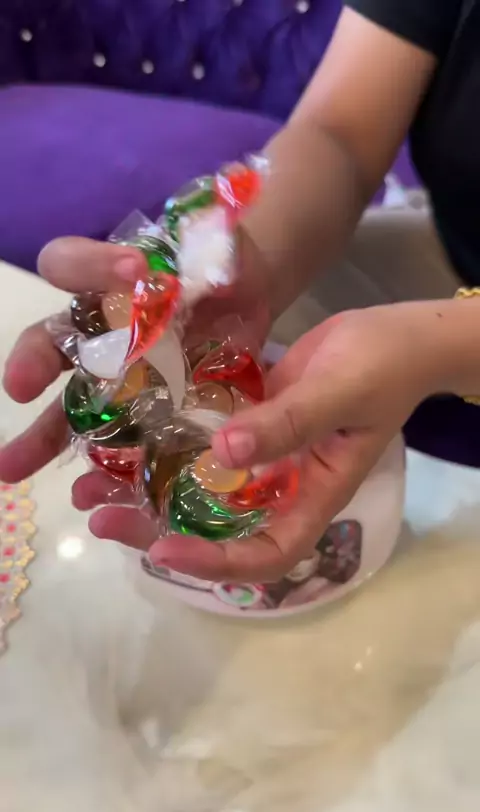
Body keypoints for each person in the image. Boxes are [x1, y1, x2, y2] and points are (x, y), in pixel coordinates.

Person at [1, 0, 479, 583]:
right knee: (240, 363)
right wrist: (231, 257)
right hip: (451, 252)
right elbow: (340, 133)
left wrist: (448, 347)